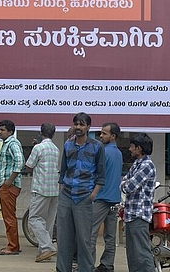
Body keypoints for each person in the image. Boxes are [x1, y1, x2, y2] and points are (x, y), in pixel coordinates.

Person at [56, 112, 105, 272]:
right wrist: (63, 188)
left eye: (82, 124)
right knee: (64, 238)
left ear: (88, 127)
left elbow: (101, 174)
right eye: (76, 124)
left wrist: (93, 194)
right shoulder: (68, 145)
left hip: (85, 197)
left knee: (84, 239)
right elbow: (63, 171)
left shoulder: (97, 146)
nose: (78, 127)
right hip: (66, 196)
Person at [121, 133, 156, 272]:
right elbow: (124, 182)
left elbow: (128, 187)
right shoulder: (137, 164)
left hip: (139, 215)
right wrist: (125, 183)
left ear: (139, 148)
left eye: (132, 146)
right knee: (132, 254)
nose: (129, 149)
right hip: (130, 214)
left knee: (141, 253)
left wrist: (125, 183)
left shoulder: (147, 165)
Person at [24, 123, 59, 263]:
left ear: (41, 132)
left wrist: (33, 149)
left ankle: (46, 247)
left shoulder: (38, 148)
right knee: (48, 222)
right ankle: (44, 250)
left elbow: (29, 166)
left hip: (40, 189)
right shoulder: (55, 149)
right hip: (54, 189)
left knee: (34, 218)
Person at [91, 123, 123, 272]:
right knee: (110, 236)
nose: (101, 136)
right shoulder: (118, 153)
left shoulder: (103, 151)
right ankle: (107, 265)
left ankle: (87, 264)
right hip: (114, 198)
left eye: (104, 133)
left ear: (113, 136)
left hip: (101, 198)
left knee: (89, 234)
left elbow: (96, 174)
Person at [0, 119, 24, 256]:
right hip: (5, 185)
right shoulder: (7, 143)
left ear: (10, 132)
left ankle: (12, 247)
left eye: (2, 130)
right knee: (8, 216)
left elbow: (20, 163)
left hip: (9, 186)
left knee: (9, 217)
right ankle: (14, 245)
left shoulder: (12, 143)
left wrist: (8, 182)